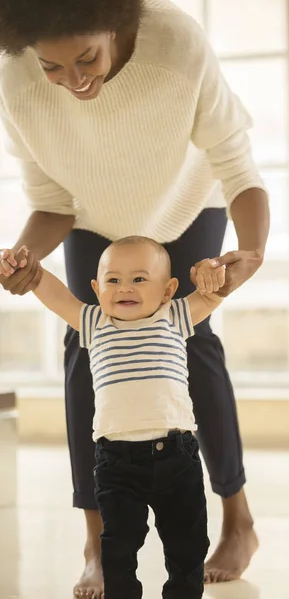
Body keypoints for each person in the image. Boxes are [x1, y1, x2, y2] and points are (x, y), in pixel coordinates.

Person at [0, 0, 270, 595]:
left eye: (87, 58)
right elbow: (50, 200)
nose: (73, 81)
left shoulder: (175, 45)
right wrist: (24, 260)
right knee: (83, 352)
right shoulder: (14, 71)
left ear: (116, 27)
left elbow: (239, 170)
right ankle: (97, 541)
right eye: (52, 67)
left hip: (187, 203)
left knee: (193, 345)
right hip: (93, 221)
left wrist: (251, 250)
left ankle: (237, 516)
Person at [2, 236, 230, 598]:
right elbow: (54, 293)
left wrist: (214, 274)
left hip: (177, 457)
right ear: (96, 287)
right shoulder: (94, 321)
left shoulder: (175, 315)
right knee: (118, 551)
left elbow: (216, 292)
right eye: (113, 280)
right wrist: (26, 268)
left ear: (168, 289)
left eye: (139, 279)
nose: (125, 288)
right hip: (116, 462)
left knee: (187, 547)